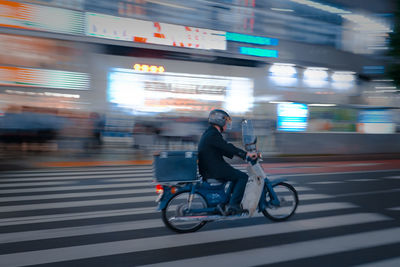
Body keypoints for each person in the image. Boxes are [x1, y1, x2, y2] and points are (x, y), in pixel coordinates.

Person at [198, 109, 257, 215]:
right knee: (242, 177)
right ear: (219, 121)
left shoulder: (210, 133)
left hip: (210, 166)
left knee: (235, 176)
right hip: (213, 168)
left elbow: (222, 148)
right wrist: (245, 154)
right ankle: (233, 205)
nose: (227, 124)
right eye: (226, 121)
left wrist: (239, 155)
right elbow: (227, 147)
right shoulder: (213, 134)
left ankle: (225, 202)